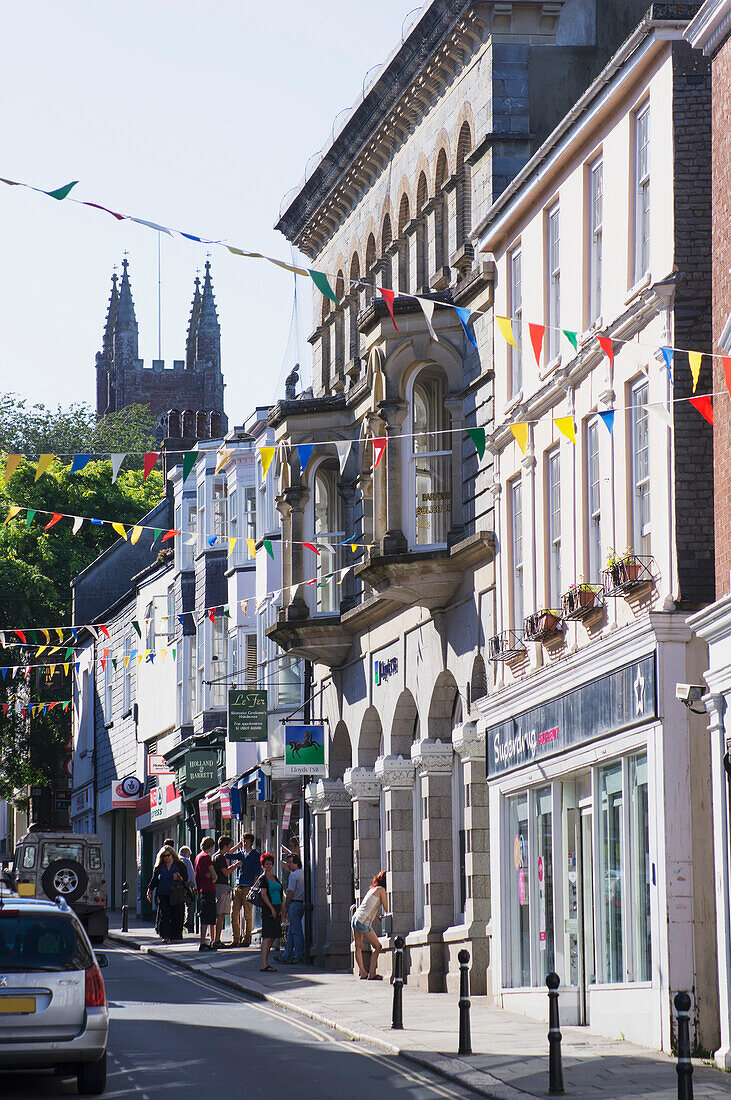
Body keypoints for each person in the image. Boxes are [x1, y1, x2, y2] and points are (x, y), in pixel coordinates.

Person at [146, 845, 188, 944]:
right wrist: (149, 890)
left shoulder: (179, 865)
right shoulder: (160, 866)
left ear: (172, 855)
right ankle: (165, 936)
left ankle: (175, 937)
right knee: (164, 915)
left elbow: (185, 877)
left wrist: (179, 878)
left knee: (176, 915)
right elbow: (155, 879)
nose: (166, 858)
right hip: (163, 894)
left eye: (168, 855)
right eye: (164, 856)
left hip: (176, 893)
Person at [351, 870, 388, 980]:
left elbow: (368, 906)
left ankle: (363, 972)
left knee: (358, 946)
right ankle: (371, 973)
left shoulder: (372, 890)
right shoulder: (381, 890)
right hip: (363, 921)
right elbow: (387, 908)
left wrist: (376, 917)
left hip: (356, 918)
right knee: (378, 946)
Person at [231, 832, 261, 947]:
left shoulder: (255, 855)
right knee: (234, 914)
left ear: (251, 843)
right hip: (238, 886)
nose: (244, 843)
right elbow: (227, 855)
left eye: (246, 841)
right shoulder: (241, 853)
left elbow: (258, 870)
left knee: (247, 915)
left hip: (248, 886)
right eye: (243, 841)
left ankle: (247, 938)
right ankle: (235, 938)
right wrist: (237, 846)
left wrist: (254, 884)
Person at [212, 835, 241, 947]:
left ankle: (215, 939)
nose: (230, 848)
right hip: (222, 887)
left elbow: (229, 853)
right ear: (225, 846)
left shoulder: (216, 856)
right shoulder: (221, 858)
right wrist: (236, 865)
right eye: (229, 846)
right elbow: (226, 872)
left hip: (217, 887)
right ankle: (217, 940)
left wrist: (237, 846)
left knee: (218, 914)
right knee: (221, 914)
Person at [258, 852, 283, 972]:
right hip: (269, 910)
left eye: (270, 864)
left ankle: (266, 962)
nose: (268, 866)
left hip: (277, 909)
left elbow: (279, 892)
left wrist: (281, 909)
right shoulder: (263, 879)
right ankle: (263, 964)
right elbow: (263, 894)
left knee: (273, 937)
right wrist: (272, 909)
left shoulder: (275, 878)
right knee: (267, 937)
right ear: (262, 865)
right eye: (266, 864)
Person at [194, 837, 218, 952]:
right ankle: (211, 941)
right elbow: (214, 875)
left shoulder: (198, 857)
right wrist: (213, 877)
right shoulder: (207, 858)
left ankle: (203, 941)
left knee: (204, 917)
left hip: (201, 890)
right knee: (211, 917)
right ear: (211, 846)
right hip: (209, 889)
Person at [280, 854, 305, 963]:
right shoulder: (303, 873)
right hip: (301, 903)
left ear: (296, 863)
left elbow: (290, 892)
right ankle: (286, 955)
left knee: (296, 930)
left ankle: (299, 955)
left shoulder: (293, 875)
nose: (288, 865)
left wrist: (286, 906)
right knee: (291, 931)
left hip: (294, 903)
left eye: (290, 862)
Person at [178, 845, 197, 933]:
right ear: (186, 853)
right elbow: (191, 874)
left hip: (176, 887)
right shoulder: (186, 861)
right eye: (189, 854)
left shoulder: (176, 859)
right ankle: (188, 922)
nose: (189, 856)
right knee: (190, 903)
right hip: (185, 886)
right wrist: (195, 886)